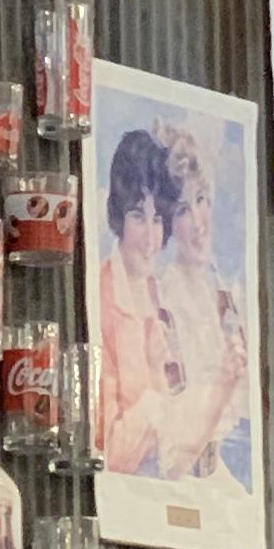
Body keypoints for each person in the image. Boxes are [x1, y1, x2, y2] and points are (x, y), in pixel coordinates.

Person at [152, 120, 251, 479]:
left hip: (231, 473)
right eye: (182, 211)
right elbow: (174, 430)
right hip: (190, 477)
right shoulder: (165, 299)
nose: (198, 222)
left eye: (200, 200)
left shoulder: (223, 288)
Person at [94, 127, 187, 476]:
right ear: (118, 217)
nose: (150, 238)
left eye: (158, 219)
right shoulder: (101, 298)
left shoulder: (163, 298)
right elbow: (108, 451)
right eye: (138, 216)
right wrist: (157, 409)